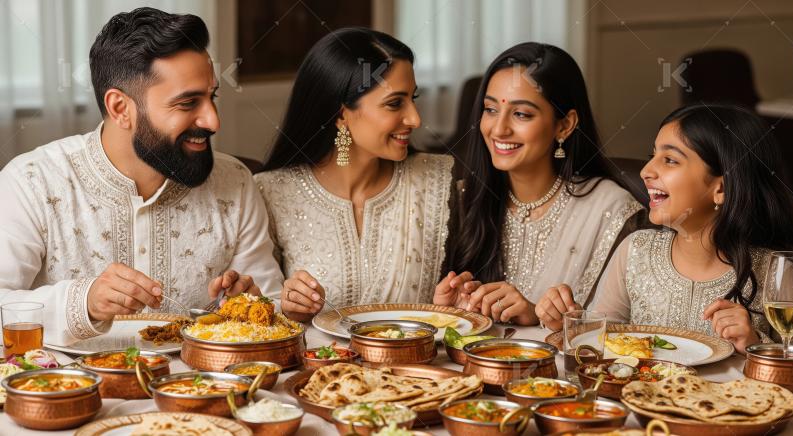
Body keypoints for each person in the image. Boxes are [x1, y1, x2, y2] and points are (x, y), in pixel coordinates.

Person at [0, 8, 282, 346]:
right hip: (74, 394)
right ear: (120, 108)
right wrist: (83, 302)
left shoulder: (234, 182)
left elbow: (273, 307)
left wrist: (250, 303)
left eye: (212, 97)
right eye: (188, 103)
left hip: (207, 391)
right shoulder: (32, 182)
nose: (212, 121)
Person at [537, 104, 793, 353]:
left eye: (670, 160)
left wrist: (754, 344)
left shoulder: (774, 271)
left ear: (720, 189)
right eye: (652, 156)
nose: (646, 171)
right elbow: (598, 341)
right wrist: (565, 321)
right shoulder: (636, 251)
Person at [255, 28, 476, 322]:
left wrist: (454, 304)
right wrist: (288, 307)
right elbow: (258, 316)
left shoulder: (437, 181)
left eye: (413, 98)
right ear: (342, 113)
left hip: (417, 366)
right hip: (318, 367)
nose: (415, 118)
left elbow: (465, 297)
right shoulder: (272, 193)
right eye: (395, 103)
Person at [438, 42, 644, 325]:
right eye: (490, 109)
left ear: (564, 125)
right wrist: (451, 310)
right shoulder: (465, 199)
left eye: (521, 114)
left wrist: (537, 316)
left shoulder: (611, 210)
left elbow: (625, 337)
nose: (499, 129)